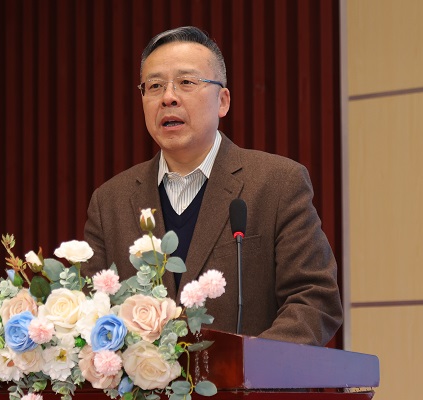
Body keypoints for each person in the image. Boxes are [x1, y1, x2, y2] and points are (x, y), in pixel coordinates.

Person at [83, 26, 342, 346]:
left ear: (222, 101)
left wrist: (247, 365)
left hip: (248, 378)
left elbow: (314, 300)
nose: (168, 97)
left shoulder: (277, 183)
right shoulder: (110, 201)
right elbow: (90, 312)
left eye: (186, 82)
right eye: (155, 86)